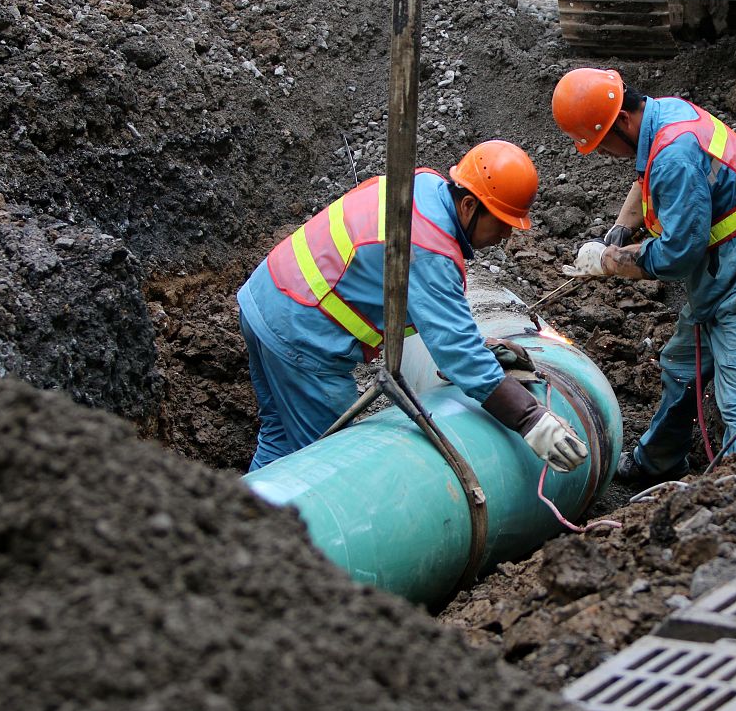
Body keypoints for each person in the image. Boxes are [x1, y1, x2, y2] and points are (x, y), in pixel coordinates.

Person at [238, 140, 588, 474]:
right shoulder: (429, 251)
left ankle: (235, 528)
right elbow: (457, 352)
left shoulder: (422, 185)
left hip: (264, 298)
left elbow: (447, 333)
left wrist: (476, 353)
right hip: (302, 340)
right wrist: (530, 418)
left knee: (279, 439)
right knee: (328, 469)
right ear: (469, 206)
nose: (505, 237)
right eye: (501, 223)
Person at [552, 68, 736, 483]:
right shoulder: (662, 116)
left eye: (601, 144)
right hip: (720, 274)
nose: (604, 155)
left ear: (623, 122)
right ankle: (658, 463)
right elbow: (645, 175)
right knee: (682, 368)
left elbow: (678, 254)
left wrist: (613, 262)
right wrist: (621, 229)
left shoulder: (674, 155)